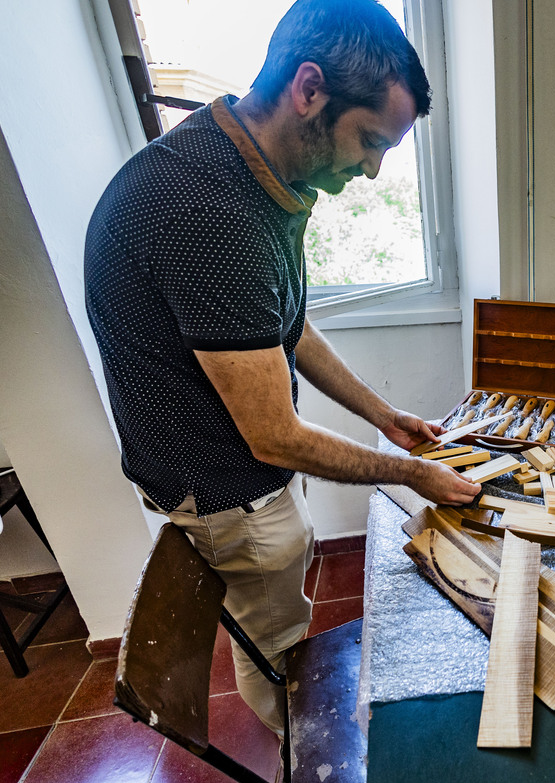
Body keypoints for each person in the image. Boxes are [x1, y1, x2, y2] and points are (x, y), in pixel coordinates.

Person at [85, 0, 479, 737]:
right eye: (370, 140)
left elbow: (284, 325)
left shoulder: (255, 175)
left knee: (283, 616)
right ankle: (307, 757)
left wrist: (382, 416)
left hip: (235, 474)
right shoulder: (207, 214)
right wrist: (412, 473)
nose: (371, 170)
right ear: (309, 90)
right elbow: (272, 437)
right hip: (229, 490)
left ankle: (306, 734)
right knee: (280, 657)